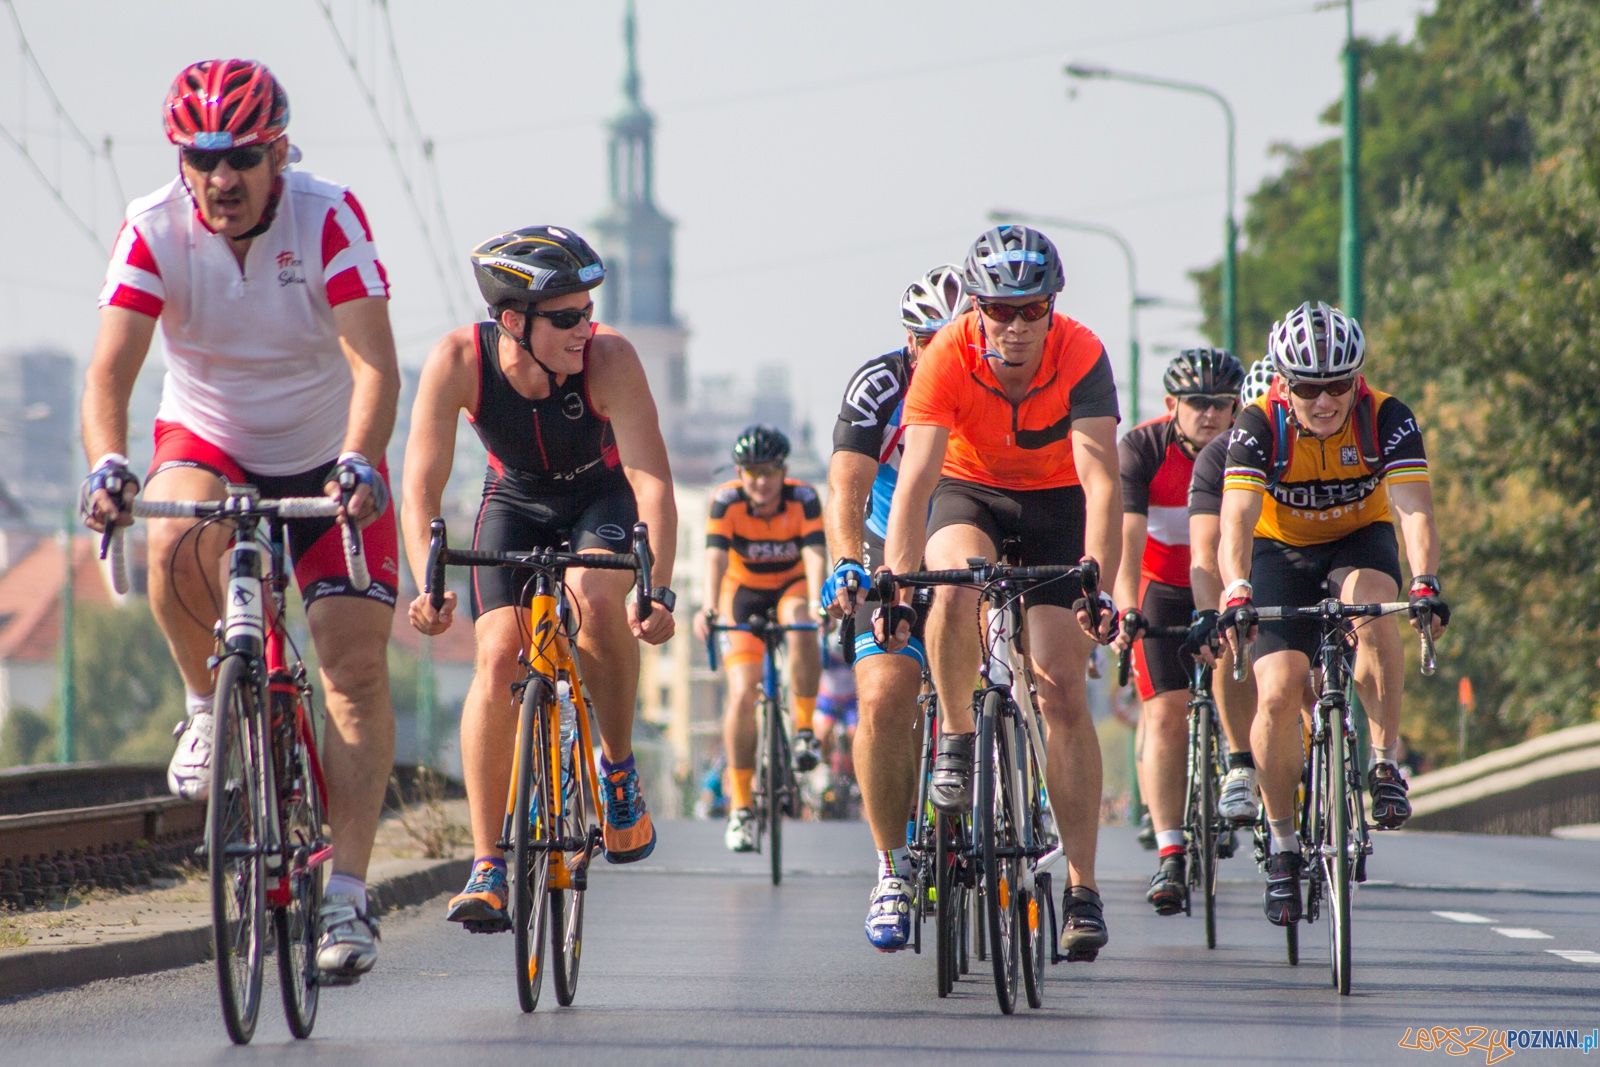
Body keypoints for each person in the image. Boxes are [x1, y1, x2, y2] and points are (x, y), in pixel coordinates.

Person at [81, 60, 400, 981]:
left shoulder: (328, 214)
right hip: (210, 435)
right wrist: (109, 462)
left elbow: (376, 367)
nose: (222, 178)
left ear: (280, 154)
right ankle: (201, 708)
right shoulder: (152, 228)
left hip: (327, 448)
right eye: (203, 158)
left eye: (245, 158)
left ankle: (345, 894)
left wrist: (356, 461)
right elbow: (110, 372)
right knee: (171, 534)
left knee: (352, 665)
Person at [402, 226, 677, 930]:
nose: (587, 327)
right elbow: (421, 487)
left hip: (599, 495)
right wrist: (426, 586)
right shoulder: (457, 360)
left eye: (588, 309)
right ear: (512, 321)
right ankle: (488, 862)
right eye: (567, 317)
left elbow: (652, 482)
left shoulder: (610, 358)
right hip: (515, 499)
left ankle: (616, 772)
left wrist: (659, 588)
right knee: (497, 657)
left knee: (593, 598)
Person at [878, 226, 1122, 961]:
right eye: (999, 310)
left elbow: (1102, 479)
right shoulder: (948, 352)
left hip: (1055, 504)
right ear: (976, 308)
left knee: (1062, 689)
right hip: (970, 491)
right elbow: (916, 478)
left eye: (1031, 309)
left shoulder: (1081, 351)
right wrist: (895, 580)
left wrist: (1096, 582)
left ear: (1052, 307)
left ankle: (1081, 887)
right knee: (952, 590)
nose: (1015, 327)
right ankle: (956, 737)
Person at [1217, 302, 1448, 927]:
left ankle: (1381, 762)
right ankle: (1285, 846)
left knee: (1374, 609)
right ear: (1283, 383)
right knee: (1278, 689)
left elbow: (1413, 510)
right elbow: (1234, 520)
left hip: (1357, 542)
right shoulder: (1258, 424)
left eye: (1339, 385)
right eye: (1309, 387)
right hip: (1279, 551)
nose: (1324, 401)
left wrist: (1424, 580)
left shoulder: (1387, 419)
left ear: (1358, 380)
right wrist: (1236, 585)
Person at [820, 264, 967, 951]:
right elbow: (846, 481)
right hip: (891, 536)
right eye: (924, 341)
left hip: (980, 524)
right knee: (882, 696)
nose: (938, 355)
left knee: (1028, 658)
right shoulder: (880, 384)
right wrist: (849, 557)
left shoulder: (1006, 379)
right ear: (908, 342)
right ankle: (892, 866)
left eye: (954, 339)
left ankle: (1016, 794)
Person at [1110, 348, 1243, 915]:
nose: (1209, 414)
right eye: (1196, 403)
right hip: (1162, 586)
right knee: (1163, 714)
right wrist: (1123, 609)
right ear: (1172, 406)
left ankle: (1241, 773)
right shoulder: (1141, 449)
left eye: (1220, 404)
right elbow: (1126, 542)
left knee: (1243, 678)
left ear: (1236, 408)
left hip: (1229, 580)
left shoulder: (1248, 448)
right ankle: (1170, 851)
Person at [692, 426, 826, 853]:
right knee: (741, 693)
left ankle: (804, 729)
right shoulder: (726, 500)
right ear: (739, 472)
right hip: (742, 593)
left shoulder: (803, 498)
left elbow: (815, 554)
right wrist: (709, 607)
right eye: (752, 473)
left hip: (791, 587)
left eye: (769, 472)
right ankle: (742, 807)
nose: (761, 482)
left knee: (803, 621)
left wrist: (822, 604)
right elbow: (714, 556)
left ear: (783, 471)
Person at [1186, 355, 1281, 831]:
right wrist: (1211, 614)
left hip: (1294, 553)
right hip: (1243, 557)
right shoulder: (1218, 455)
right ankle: (1242, 758)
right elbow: (1206, 551)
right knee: (1230, 631)